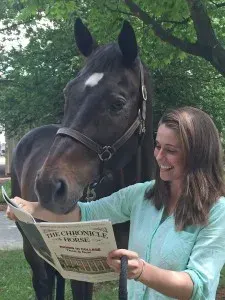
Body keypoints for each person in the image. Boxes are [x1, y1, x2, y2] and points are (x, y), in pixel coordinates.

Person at [7, 106, 225, 300]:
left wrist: (140, 271)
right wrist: (29, 208)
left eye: (171, 150)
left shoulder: (217, 211)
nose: (159, 157)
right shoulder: (142, 195)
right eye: (157, 146)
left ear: (198, 155)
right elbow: (85, 213)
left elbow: (198, 286)